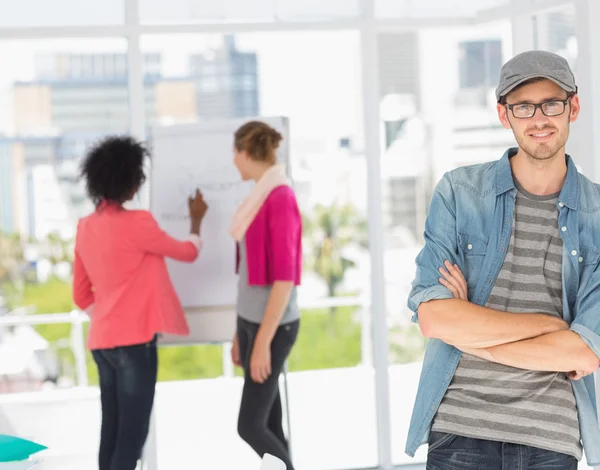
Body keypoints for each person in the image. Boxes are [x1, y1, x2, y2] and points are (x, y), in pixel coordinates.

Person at [406, 50, 600, 470]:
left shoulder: (598, 216)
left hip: (551, 437)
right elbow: (434, 319)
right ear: (503, 114)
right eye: (523, 107)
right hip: (461, 429)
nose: (539, 118)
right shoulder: (459, 194)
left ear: (574, 107)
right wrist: (550, 329)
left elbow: (585, 352)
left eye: (551, 104)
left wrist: (470, 330)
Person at [72, 136, 208, 470]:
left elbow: (80, 295)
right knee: (132, 437)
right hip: (133, 346)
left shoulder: (86, 227)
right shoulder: (138, 223)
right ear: (130, 182)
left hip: (102, 343)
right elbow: (187, 253)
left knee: (113, 432)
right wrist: (196, 221)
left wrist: (107, 313)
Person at [228, 121, 302, 470]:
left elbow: (284, 280)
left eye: (235, 153)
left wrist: (261, 342)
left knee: (250, 426)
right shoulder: (258, 196)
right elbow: (246, 277)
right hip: (251, 322)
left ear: (247, 152)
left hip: (270, 328)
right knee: (269, 424)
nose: (233, 161)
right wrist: (239, 333)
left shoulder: (279, 198)